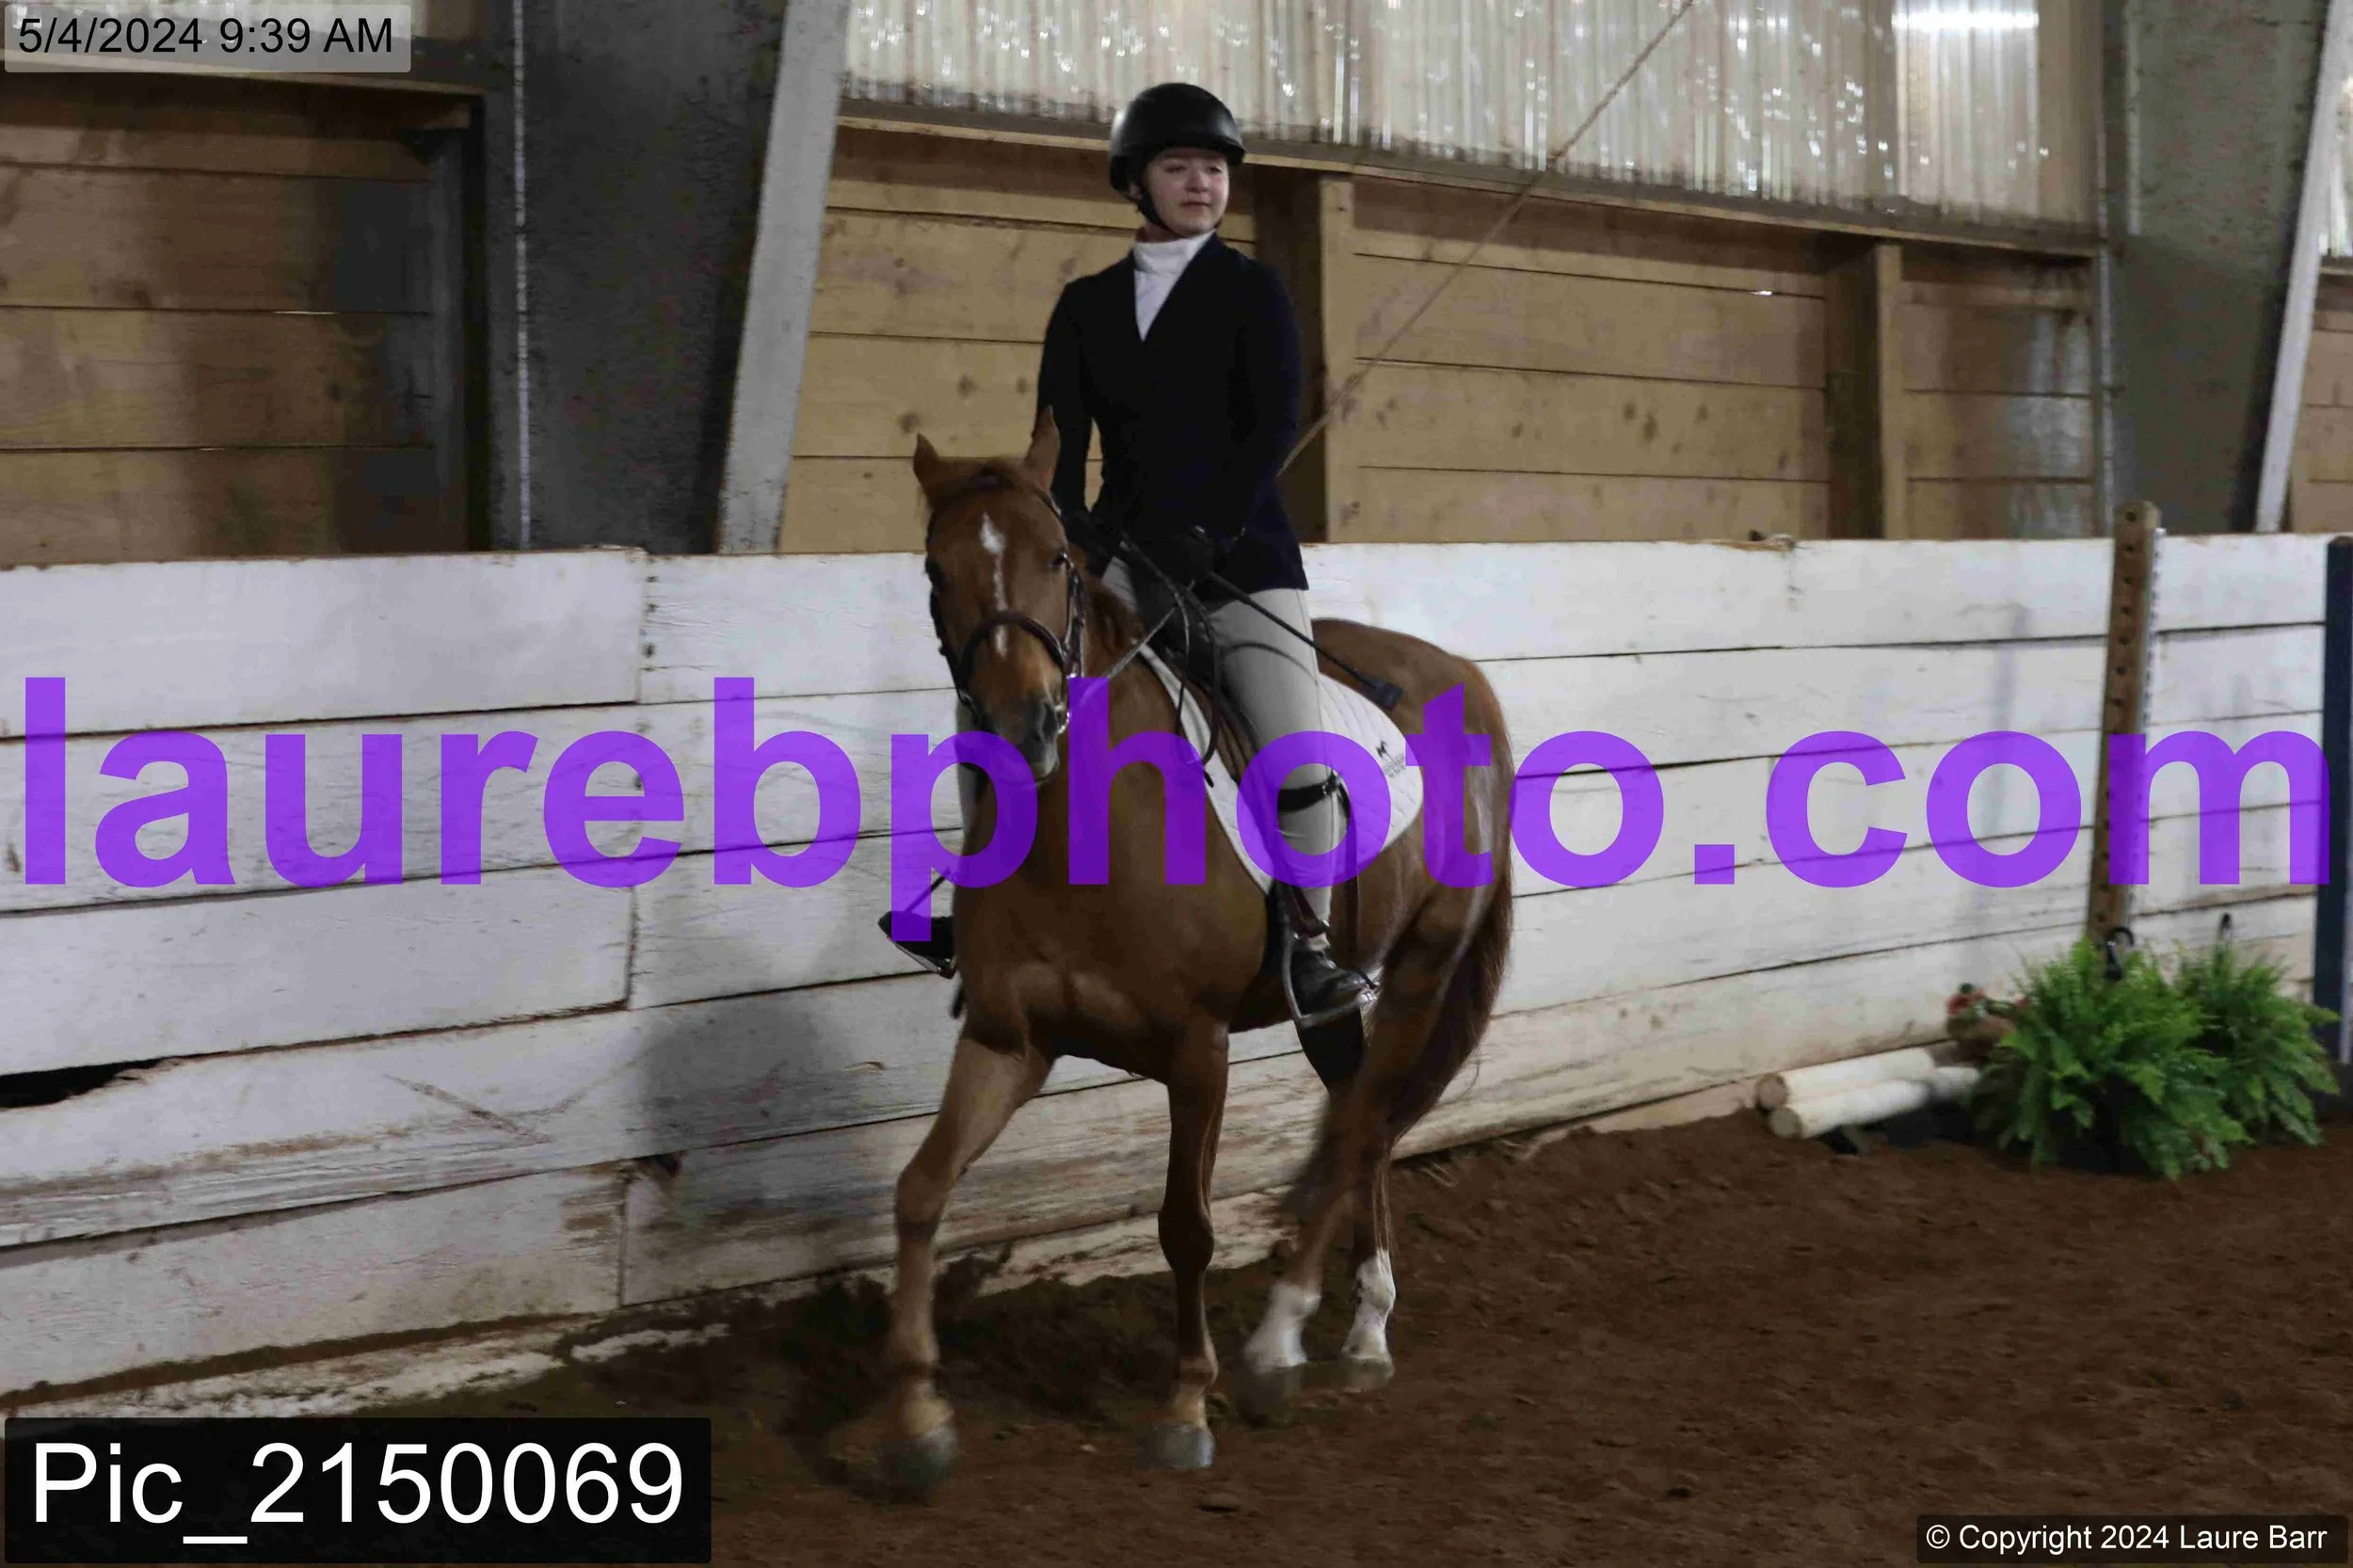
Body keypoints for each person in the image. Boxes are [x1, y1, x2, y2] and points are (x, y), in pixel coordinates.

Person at [1032, 81, 1376, 1027]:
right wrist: (1073, 530)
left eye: (1215, 169)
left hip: (1238, 559)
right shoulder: (1086, 307)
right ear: (1135, 182)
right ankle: (984, 907)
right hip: (1119, 559)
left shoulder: (1251, 291)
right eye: (1179, 166)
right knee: (1026, 714)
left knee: (1295, 755)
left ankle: (1310, 945)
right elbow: (1057, 436)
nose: (1201, 183)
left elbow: (1271, 428)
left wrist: (1210, 531)